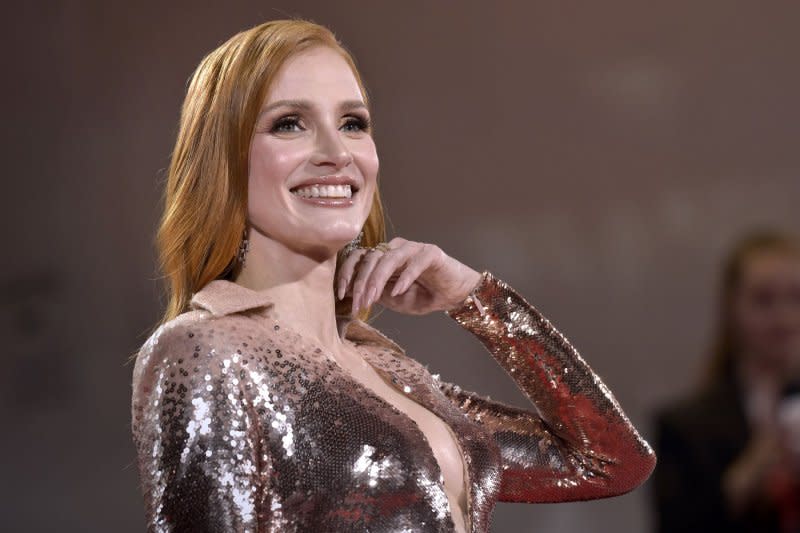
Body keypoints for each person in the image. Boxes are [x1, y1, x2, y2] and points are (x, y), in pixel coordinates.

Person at [130, 19, 656, 532]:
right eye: (290, 123)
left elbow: (609, 460)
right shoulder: (206, 350)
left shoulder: (387, 369)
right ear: (223, 157)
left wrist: (475, 298)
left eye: (352, 123)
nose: (336, 154)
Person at [653, 230, 800, 532]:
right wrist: (745, 478)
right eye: (764, 300)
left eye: (797, 298)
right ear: (732, 308)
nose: (784, 317)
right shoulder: (684, 428)